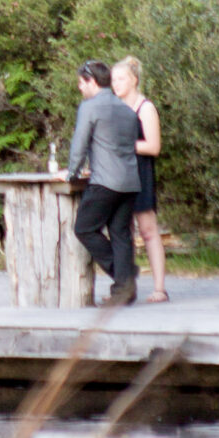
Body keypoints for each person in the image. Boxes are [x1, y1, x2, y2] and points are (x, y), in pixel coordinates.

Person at [67, 58, 143, 303]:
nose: (80, 88)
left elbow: (79, 145)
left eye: (81, 82)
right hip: (130, 181)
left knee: (85, 228)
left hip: (105, 182)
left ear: (91, 81)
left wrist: (71, 173)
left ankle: (126, 275)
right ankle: (124, 290)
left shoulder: (89, 107)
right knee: (120, 234)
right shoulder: (126, 110)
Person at [113, 56, 169, 302]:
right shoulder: (113, 108)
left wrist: (126, 145)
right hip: (118, 175)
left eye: (121, 78)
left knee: (148, 230)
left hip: (140, 173)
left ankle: (159, 288)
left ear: (134, 80)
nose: (116, 83)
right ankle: (124, 289)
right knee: (121, 232)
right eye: (113, 79)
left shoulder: (145, 107)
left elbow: (153, 146)